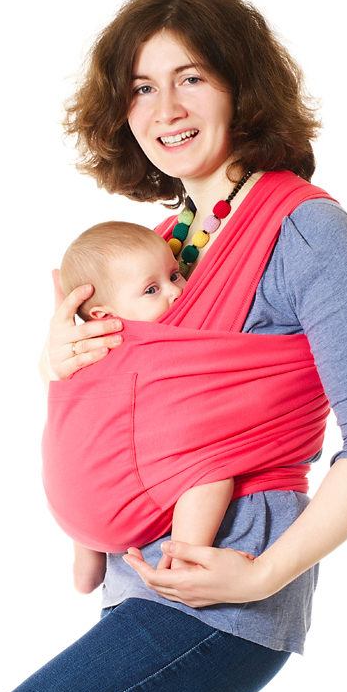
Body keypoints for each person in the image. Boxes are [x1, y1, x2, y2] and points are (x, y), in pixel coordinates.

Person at [0, 0, 347, 692]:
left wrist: (262, 576)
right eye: (141, 87)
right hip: (136, 585)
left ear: (241, 85)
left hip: (222, 594)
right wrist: (61, 363)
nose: (164, 108)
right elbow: (136, 400)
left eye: (190, 77)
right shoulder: (159, 250)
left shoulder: (309, 233)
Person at [53, 219, 235, 586]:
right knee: (214, 466)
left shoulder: (81, 352)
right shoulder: (154, 343)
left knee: (79, 459)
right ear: (105, 317)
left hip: (67, 501)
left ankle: (86, 566)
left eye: (175, 275)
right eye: (152, 289)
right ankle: (184, 558)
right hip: (116, 504)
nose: (176, 292)